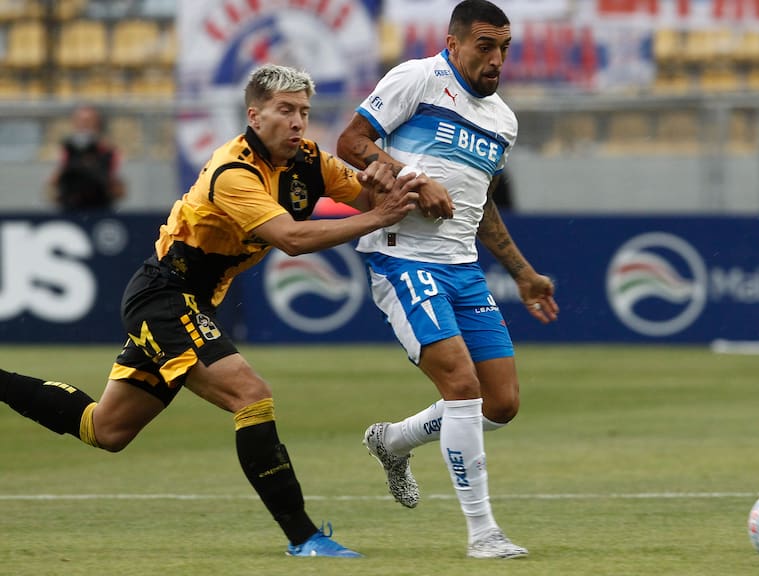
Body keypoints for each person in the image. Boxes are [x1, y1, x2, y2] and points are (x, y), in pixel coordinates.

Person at [2, 64, 422, 558]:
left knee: (106, 429)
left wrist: (396, 178)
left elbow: (372, 192)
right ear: (254, 115)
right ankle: (304, 538)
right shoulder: (233, 171)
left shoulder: (310, 163)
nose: (297, 123)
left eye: (304, 112)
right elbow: (290, 238)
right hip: (162, 296)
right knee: (251, 394)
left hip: (190, 304)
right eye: (285, 110)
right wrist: (379, 215)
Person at [336, 0, 559, 560]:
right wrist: (414, 174)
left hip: (462, 268)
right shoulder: (419, 78)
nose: (496, 59)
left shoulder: (502, 120)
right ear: (454, 42)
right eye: (485, 45)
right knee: (461, 387)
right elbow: (351, 143)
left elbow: (479, 206)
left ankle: (392, 440)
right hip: (402, 258)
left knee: (500, 402)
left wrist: (524, 273)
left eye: (505, 47)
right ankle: (483, 534)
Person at [47, 104, 126, 212]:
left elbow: (115, 185)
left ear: (97, 123)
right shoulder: (68, 148)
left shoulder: (107, 150)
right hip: (70, 207)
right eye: (81, 121)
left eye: (88, 121)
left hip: (100, 207)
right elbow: (55, 182)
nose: (84, 125)